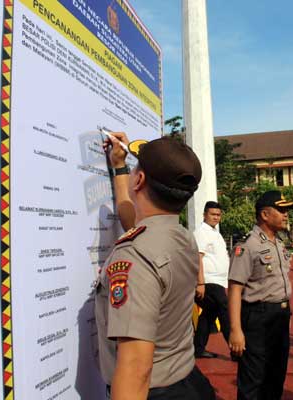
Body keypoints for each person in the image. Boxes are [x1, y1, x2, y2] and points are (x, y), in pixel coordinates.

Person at [95, 133, 215, 399]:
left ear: (139, 180)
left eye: (135, 170)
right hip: (186, 380)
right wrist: (119, 168)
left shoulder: (135, 256)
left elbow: (136, 368)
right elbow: (134, 221)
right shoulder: (182, 237)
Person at [228, 190, 293, 400]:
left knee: (276, 375)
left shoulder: (278, 243)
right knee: (253, 379)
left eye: (287, 211)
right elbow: (234, 289)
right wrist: (236, 330)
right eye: (281, 210)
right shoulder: (248, 246)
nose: (286, 215)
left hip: (279, 317)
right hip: (257, 318)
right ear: (265, 215)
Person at [193, 200, 231, 359]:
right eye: (213, 214)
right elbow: (197, 258)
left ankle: (198, 349)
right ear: (204, 215)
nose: (216, 217)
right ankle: (236, 349)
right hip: (209, 281)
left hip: (218, 281)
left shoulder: (214, 232)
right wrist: (200, 283)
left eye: (218, 214)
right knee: (225, 311)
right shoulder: (202, 232)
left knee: (209, 314)